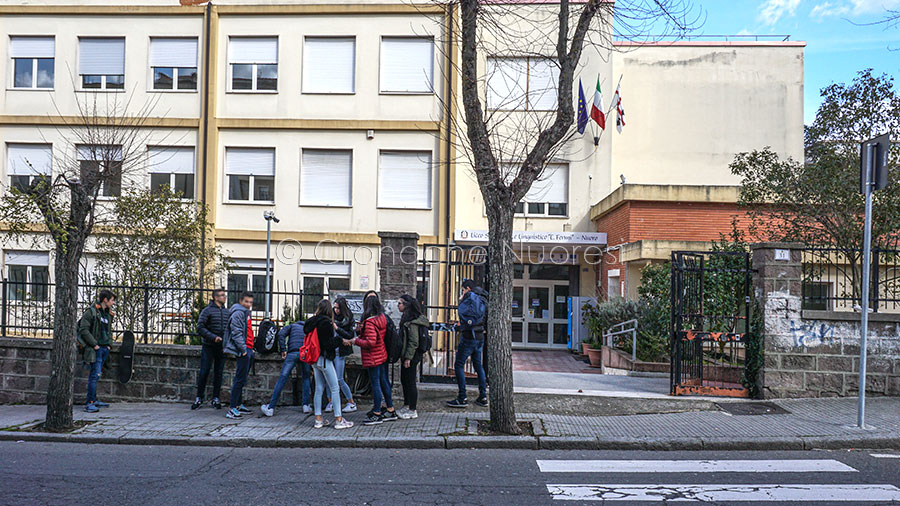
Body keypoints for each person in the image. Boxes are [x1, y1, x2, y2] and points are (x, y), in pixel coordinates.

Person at [348, 295, 398, 425]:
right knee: (384, 381)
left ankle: (376, 412)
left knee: (375, 384)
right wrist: (361, 331)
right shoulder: (381, 318)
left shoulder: (370, 322)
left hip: (373, 356)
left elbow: (370, 342)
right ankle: (390, 409)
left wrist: (356, 340)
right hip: (382, 354)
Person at [305, 299, 353, 430]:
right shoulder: (325, 323)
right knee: (335, 388)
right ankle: (338, 419)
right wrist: (339, 340)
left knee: (319, 388)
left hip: (314, 360)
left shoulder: (311, 322)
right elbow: (328, 343)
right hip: (325, 359)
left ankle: (318, 419)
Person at [448, 279, 488, 408]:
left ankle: (462, 397)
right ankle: (483, 396)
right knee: (478, 366)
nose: (462, 292)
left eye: (463, 289)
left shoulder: (470, 298)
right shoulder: (482, 298)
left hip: (469, 337)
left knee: (458, 365)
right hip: (480, 336)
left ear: (467, 289)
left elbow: (464, 315)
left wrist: (462, 300)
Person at [260, 317, 312, 416]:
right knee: (306, 378)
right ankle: (305, 405)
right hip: (304, 354)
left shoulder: (292, 326)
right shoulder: (308, 328)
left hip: (292, 353)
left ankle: (271, 407)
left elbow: (281, 334)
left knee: (282, 378)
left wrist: (283, 349)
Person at [78, 289, 116, 413]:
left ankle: (94, 399)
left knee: (97, 375)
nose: (113, 303)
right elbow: (84, 329)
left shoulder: (108, 314)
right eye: (112, 300)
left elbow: (109, 331)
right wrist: (94, 345)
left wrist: (109, 344)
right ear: (105, 299)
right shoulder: (91, 312)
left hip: (104, 348)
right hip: (96, 349)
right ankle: (90, 403)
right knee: (94, 375)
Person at [192, 288, 228, 410]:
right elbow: (200, 327)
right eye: (222, 295)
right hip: (209, 346)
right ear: (216, 298)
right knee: (204, 371)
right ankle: (199, 397)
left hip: (222, 347)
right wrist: (213, 337)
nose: (225, 297)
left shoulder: (227, 312)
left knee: (219, 373)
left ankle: (216, 398)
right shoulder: (207, 311)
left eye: (225, 295)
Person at [223, 291, 254, 419]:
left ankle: (238, 405)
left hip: (248, 348)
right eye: (246, 301)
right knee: (239, 378)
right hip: (244, 349)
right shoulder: (238, 313)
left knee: (242, 378)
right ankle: (232, 408)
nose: (248, 304)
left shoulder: (245, 313)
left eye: (251, 302)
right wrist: (243, 350)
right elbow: (236, 332)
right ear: (241, 301)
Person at [397, 294, 429, 420]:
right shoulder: (407, 318)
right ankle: (406, 405)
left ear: (406, 305)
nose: (398, 306)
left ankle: (412, 409)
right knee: (404, 380)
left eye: (399, 303)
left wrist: (408, 358)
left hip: (412, 355)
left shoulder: (413, 321)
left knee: (410, 382)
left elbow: (413, 341)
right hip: (407, 354)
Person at [325, 297, 357, 414]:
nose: (336, 310)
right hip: (331, 350)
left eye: (338, 308)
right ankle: (331, 402)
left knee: (339, 378)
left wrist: (337, 328)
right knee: (329, 377)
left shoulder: (348, 318)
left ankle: (351, 402)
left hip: (341, 351)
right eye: (335, 307)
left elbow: (350, 335)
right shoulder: (331, 316)